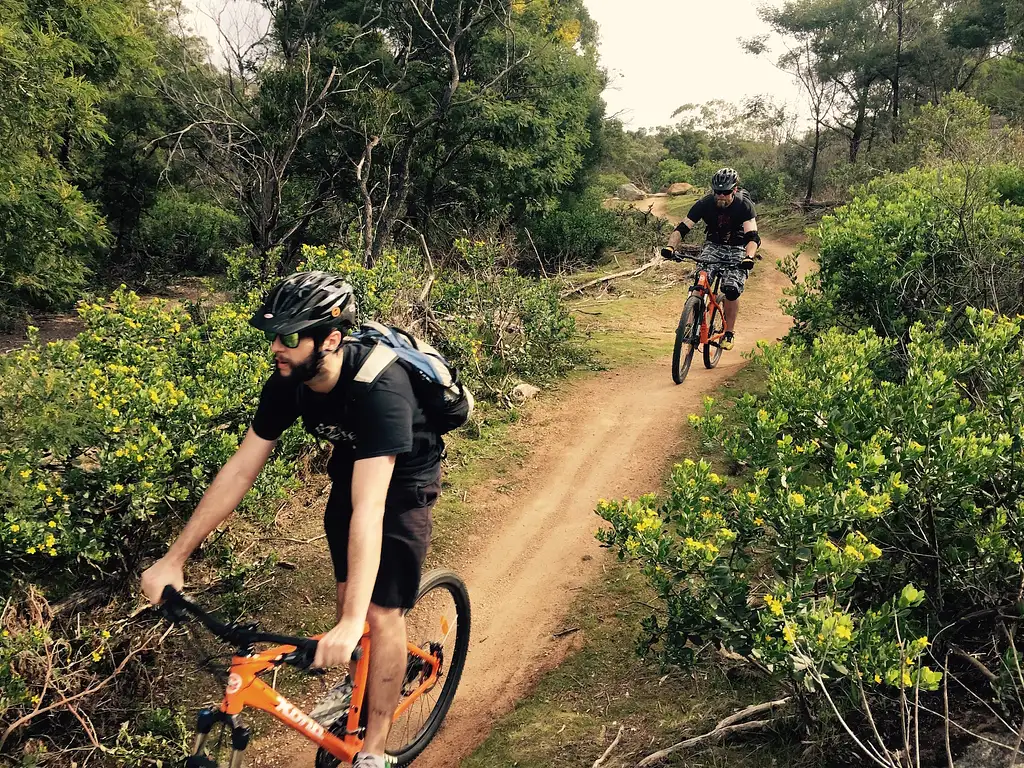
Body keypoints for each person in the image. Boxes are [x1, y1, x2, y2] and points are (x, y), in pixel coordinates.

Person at [141, 271, 442, 768]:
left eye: (289, 336)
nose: (276, 347)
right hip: (352, 461)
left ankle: (374, 751)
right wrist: (174, 559)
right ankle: (360, 677)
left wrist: (349, 625)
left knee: (378, 614)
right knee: (350, 596)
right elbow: (239, 470)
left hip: (405, 475)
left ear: (330, 338)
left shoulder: (381, 391)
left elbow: (371, 508)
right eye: (272, 335)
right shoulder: (289, 382)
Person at [665, 167, 761, 350]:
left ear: (734, 189)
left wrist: (749, 257)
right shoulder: (705, 203)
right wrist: (670, 246)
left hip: (738, 247)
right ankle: (688, 325)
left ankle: (729, 333)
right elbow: (682, 228)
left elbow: (752, 237)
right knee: (700, 281)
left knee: (731, 289)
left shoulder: (744, 205)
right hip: (713, 245)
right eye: (718, 192)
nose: (721, 196)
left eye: (725, 192)